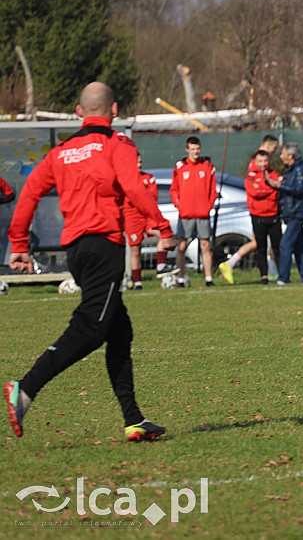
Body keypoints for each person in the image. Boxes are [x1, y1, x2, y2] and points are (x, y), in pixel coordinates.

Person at [4, 81, 178, 440]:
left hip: (78, 252)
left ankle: (134, 419)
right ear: (114, 111)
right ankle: (26, 388)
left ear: (79, 113)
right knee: (92, 327)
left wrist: (18, 242)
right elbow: (132, 186)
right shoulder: (117, 144)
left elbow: (31, 191)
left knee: (119, 329)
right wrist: (161, 225)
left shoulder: (61, 152)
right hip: (103, 246)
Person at [219, 135, 280, 283]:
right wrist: (268, 189)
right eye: (274, 148)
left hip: (268, 209)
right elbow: (257, 185)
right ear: (268, 145)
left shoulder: (266, 163)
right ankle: (230, 264)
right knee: (258, 243)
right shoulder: (256, 162)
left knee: (265, 243)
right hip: (258, 210)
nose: (275, 151)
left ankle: (271, 271)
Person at [170, 136, 218, 287]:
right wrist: (180, 206)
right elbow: (174, 190)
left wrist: (208, 206)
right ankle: (180, 278)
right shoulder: (180, 167)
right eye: (192, 149)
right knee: (182, 246)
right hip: (186, 214)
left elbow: (212, 190)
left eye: (197, 149)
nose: (195, 152)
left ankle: (208, 278)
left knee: (205, 246)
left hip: (203, 214)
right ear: (187, 149)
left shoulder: (208, 166)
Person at [123, 154, 176, 289]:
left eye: (140, 162)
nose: (139, 165)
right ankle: (138, 283)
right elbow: (130, 198)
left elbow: (152, 197)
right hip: (132, 218)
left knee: (166, 236)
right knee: (135, 250)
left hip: (147, 216)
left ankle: (161, 266)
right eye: (136, 162)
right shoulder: (126, 180)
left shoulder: (148, 178)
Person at [267, 142, 303, 284]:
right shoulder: (291, 169)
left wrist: (280, 186)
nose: (280, 157)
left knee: (285, 244)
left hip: (297, 212)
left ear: (290, 155)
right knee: (298, 246)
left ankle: (283, 277)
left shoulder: (301, 169)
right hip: (292, 211)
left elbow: (298, 190)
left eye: (283, 154)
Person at [243, 150, 282, 284]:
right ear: (255, 162)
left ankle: (280, 273)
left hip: (273, 216)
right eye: (260, 161)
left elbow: (276, 192)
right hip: (258, 217)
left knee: (277, 247)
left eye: (265, 161)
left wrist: (267, 188)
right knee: (261, 247)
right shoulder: (250, 177)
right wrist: (270, 187)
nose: (263, 164)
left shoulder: (275, 175)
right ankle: (263, 276)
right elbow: (254, 192)